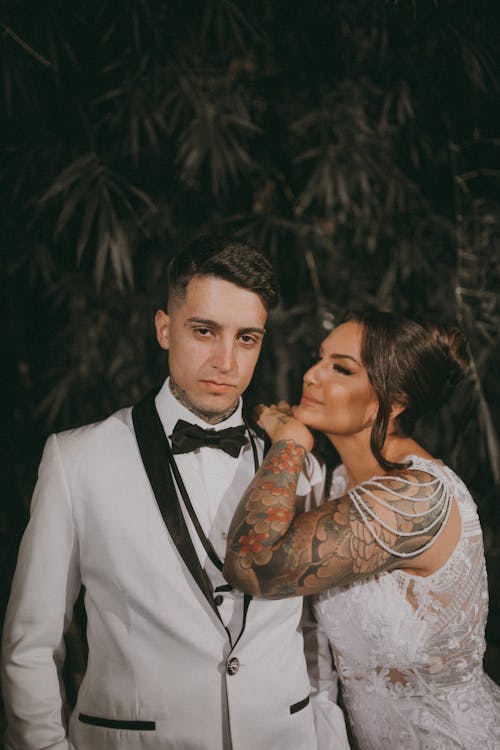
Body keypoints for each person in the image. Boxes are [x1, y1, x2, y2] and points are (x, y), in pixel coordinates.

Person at [1, 237, 350, 750]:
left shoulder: (300, 465)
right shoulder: (76, 461)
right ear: (164, 328)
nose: (226, 361)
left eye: (247, 338)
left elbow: (316, 631)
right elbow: (29, 646)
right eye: (205, 331)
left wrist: (324, 734)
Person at [224, 309, 500, 750]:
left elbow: (255, 564)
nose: (311, 375)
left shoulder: (413, 499)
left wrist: (291, 443)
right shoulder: (338, 485)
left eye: (341, 368)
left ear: (393, 402)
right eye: (320, 358)